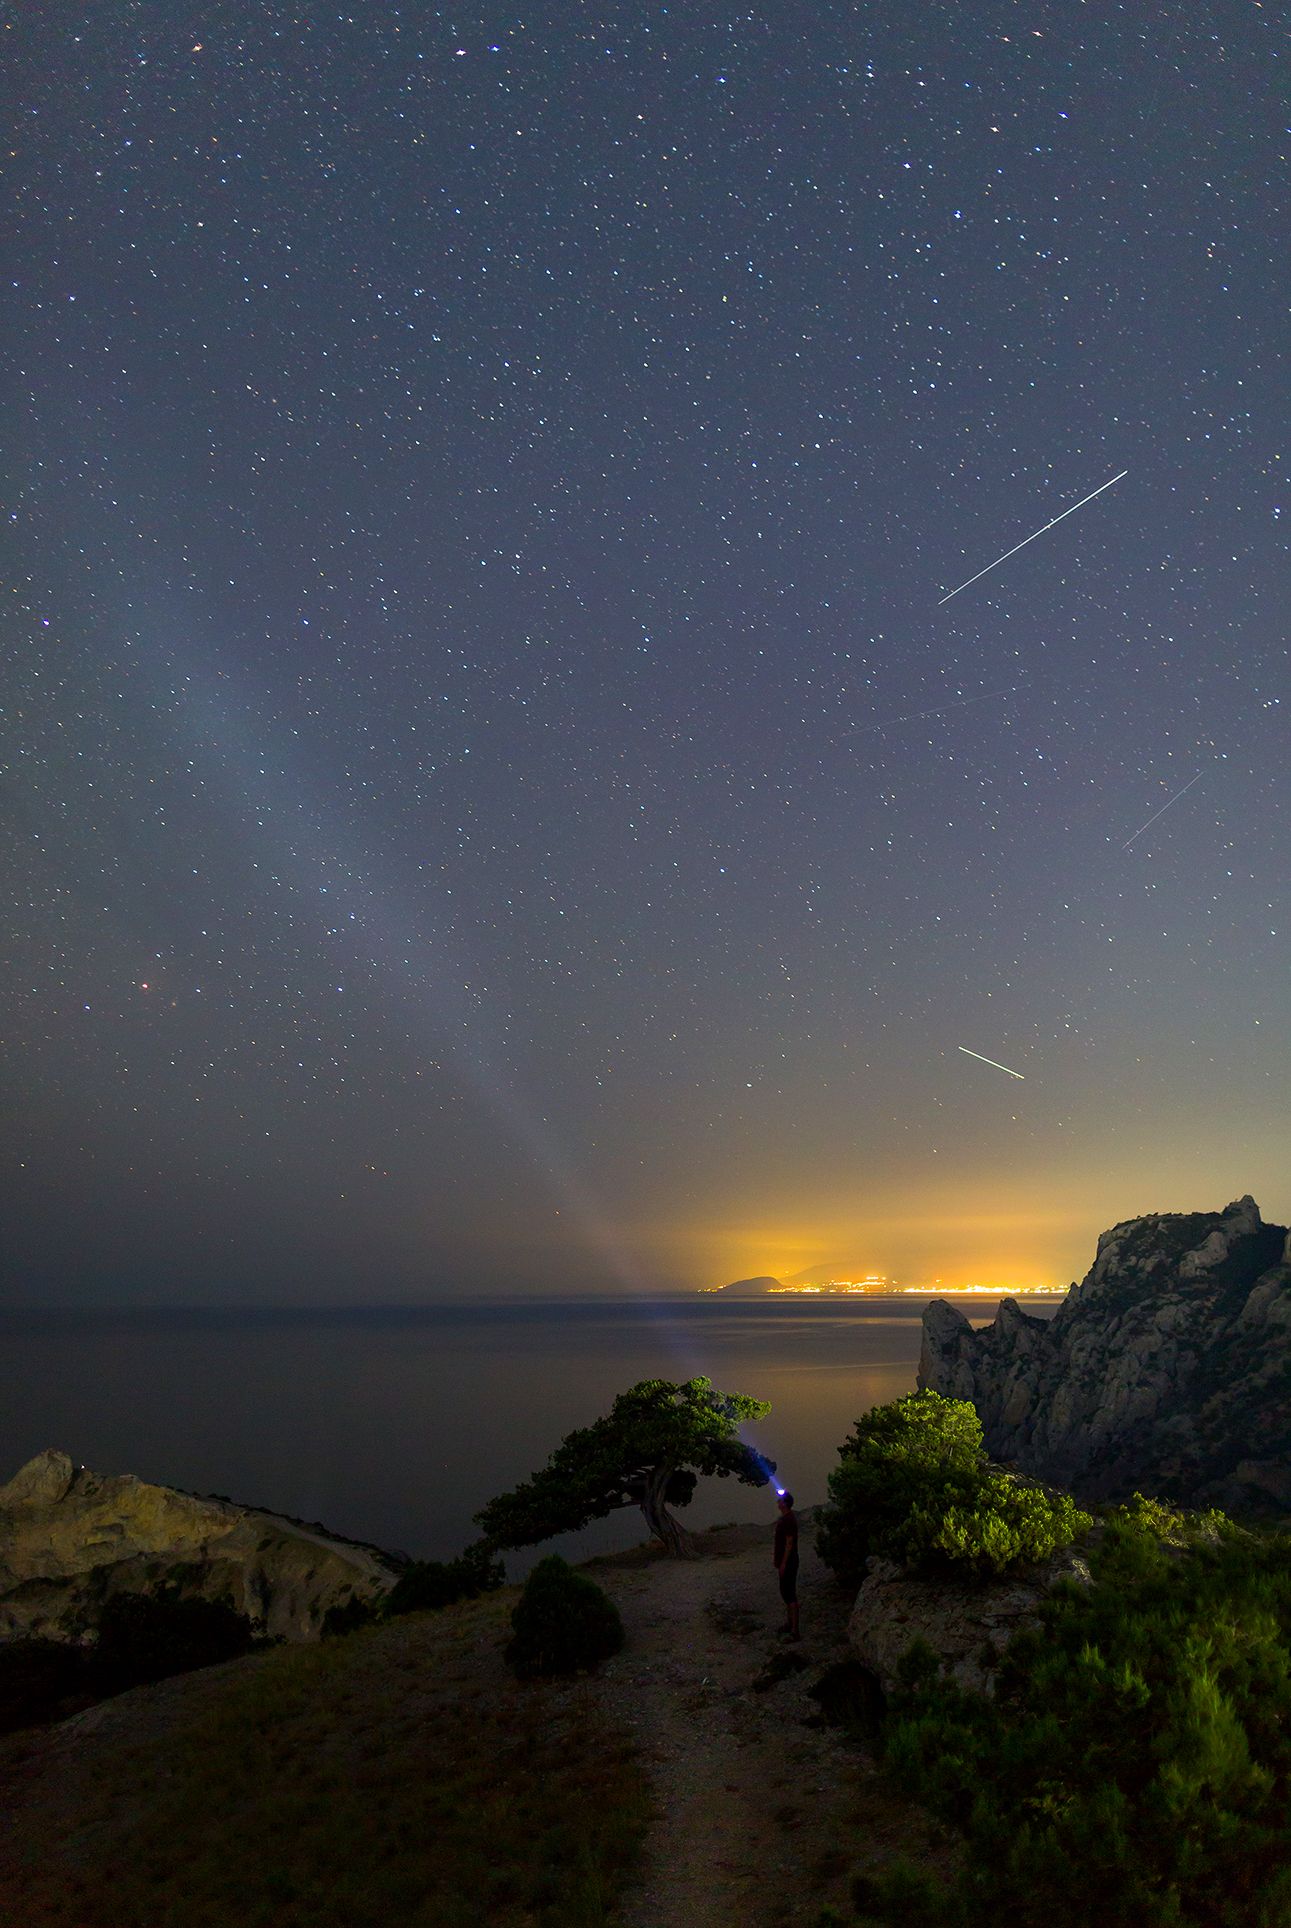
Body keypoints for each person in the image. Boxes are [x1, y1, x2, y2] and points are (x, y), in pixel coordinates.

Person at [773, 1492, 800, 1639]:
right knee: (785, 1593)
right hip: (786, 1562)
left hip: (789, 1563)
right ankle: (789, 1623)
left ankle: (795, 1631)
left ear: (785, 1503)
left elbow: (789, 1543)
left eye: (780, 1500)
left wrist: (783, 1563)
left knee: (790, 1594)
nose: (777, 1502)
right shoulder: (785, 1519)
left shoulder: (789, 1520)